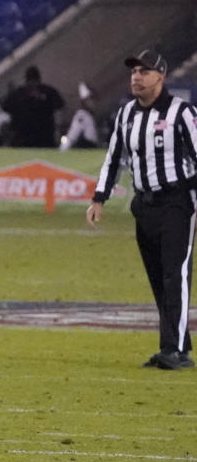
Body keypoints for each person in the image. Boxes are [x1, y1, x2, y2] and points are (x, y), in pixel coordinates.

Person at [87, 49, 197, 370]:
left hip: (178, 201)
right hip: (144, 204)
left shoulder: (183, 113)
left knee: (175, 273)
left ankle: (172, 349)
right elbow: (114, 158)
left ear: (160, 77)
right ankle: (177, 344)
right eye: (134, 71)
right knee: (158, 279)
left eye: (144, 71)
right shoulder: (126, 115)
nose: (136, 76)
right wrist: (98, 198)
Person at [2, 65, 65, 147]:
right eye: (31, 81)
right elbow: (6, 108)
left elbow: (60, 106)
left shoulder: (48, 92)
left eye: (34, 80)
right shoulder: (19, 94)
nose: (33, 83)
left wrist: (41, 98)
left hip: (44, 137)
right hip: (23, 138)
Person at [59, 82, 99, 150]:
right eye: (91, 99)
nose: (94, 102)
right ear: (84, 102)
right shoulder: (82, 116)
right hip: (86, 150)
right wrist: (61, 150)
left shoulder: (89, 116)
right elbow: (72, 136)